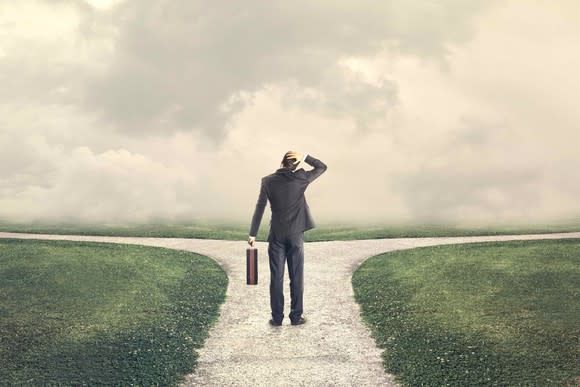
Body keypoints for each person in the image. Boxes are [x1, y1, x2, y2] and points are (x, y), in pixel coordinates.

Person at [248, 151, 327, 326]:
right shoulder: (301, 178)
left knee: (276, 277)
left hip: (276, 235)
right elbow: (322, 167)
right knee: (296, 276)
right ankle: (296, 317)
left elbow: (260, 207)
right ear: (297, 165)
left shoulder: (267, 181)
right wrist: (306, 156)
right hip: (296, 235)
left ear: (282, 161)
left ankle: (277, 318)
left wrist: (252, 233)